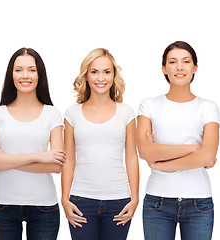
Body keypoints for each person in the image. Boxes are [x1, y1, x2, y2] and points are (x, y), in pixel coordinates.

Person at [137, 41, 220, 240]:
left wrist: (161, 164)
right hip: (157, 202)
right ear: (164, 68)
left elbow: (208, 155)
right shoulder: (149, 105)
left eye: (186, 61)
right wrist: (193, 149)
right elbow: (145, 152)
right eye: (173, 62)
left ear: (195, 68)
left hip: (198, 202)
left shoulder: (208, 108)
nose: (180, 67)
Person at [0, 48, 65, 240]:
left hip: (44, 207)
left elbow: (56, 165)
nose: (24, 75)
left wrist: (4, 159)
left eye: (31, 70)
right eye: (18, 70)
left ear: (39, 74)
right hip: (3, 206)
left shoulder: (52, 113)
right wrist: (39, 156)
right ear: (11, 74)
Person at [61, 48, 139, 240]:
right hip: (81, 200)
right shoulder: (72, 113)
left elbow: (131, 157)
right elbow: (69, 159)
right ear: (86, 76)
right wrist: (64, 198)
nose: (100, 78)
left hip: (119, 200)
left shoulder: (126, 112)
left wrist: (135, 198)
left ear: (114, 75)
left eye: (106, 72)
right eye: (94, 72)